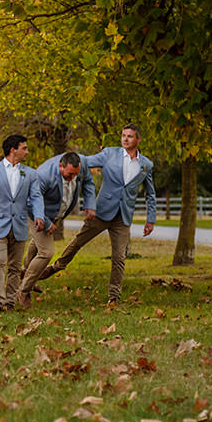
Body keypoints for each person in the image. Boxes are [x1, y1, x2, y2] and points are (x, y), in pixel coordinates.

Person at [39, 124, 157, 305]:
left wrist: (150, 219)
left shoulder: (146, 165)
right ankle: (56, 266)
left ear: (138, 140)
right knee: (78, 242)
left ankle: (114, 297)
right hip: (101, 212)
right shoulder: (110, 153)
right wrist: (61, 162)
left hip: (123, 216)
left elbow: (151, 193)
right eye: (123, 135)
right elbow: (85, 161)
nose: (125, 139)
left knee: (119, 257)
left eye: (130, 136)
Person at [16, 152, 95, 309]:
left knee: (37, 244)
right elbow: (31, 202)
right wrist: (46, 223)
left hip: (55, 214)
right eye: (69, 174)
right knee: (46, 252)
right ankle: (23, 290)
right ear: (61, 166)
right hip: (37, 215)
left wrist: (90, 204)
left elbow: (89, 182)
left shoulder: (80, 167)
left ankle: (26, 272)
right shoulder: (44, 175)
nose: (72, 178)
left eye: (75, 174)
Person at [0, 134, 44, 312]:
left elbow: (36, 197)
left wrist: (39, 215)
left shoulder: (30, 173)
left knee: (15, 266)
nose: (27, 152)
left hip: (20, 226)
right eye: (24, 148)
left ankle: (10, 301)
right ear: (13, 150)